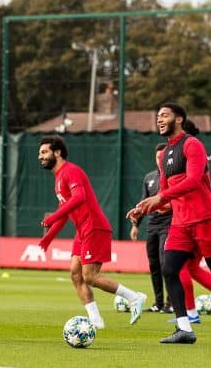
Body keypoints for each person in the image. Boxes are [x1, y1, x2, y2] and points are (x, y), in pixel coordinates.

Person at [127, 102, 211, 344]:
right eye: (157, 117)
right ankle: (184, 329)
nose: (159, 120)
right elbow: (166, 197)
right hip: (180, 223)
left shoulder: (192, 144)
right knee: (169, 269)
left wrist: (160, 197)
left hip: (205, 219)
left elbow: (195, 181)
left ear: (179, 119)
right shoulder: (165, 153)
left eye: (164, 115)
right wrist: (143, 208)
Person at [38, 135, 147, 329]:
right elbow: (65, 212)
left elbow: (79, 197)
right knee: (75, 274)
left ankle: (134, 297)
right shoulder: (58, 179)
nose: (41, 156)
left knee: (90, 276)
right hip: (82, 230)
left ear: (57, 152)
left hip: (94, 226)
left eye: (44, 152)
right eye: (40, 153)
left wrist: (51, 217)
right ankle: (96, 321)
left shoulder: (71, 171)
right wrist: (48, 238)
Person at [129, 142, 173, 313]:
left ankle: (171, 303)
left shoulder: (173, 177)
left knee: (166, 263)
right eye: (157, 156)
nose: (160, 159)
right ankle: (158, 303)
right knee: (154, 264)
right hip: (152, 225)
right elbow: (143, 203)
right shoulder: (149, 177)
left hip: (168, 224)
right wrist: (135, 225)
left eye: (163, 156)